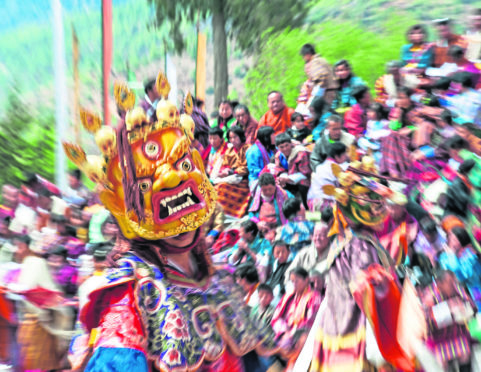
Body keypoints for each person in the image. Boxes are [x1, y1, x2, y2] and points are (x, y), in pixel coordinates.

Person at [65, 71, 279, 372]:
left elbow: (255, 361)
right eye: (146, 182)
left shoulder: (220, 279)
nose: (170, 177)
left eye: (181, 164)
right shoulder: (130, 290)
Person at [422, 269, 476, 371]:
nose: (453, 285)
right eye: (450, 282)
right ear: (439, 283)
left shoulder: (456, 289)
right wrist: (448, 309)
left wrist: (465, 308)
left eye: (454, 282)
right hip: (438, 340)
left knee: (465, 353)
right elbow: (427, 323)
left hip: (457, 335)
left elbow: (472, 306)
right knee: (440, 364)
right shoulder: (429, 296)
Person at [271, 267, 321, 348]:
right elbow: (276, 316)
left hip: (301, 336)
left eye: (296, 281)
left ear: (306, 279)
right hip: (284, 333)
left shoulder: (314, 296)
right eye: (292, 281)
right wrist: (284, 331)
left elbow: (310, 321)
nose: (294, 284)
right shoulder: (288, 295)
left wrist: (291, 334)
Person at [214, 126, 251, 218]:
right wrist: (224, 170)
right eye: (230, 138)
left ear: (241, 136)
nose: (232, 140)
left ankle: (230, 214)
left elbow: (247, 168)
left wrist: (232, 171)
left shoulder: (248, 148)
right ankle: (219, 214)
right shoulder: (229, 150)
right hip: (231, 178)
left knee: (221, 188)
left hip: (244, 180)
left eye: (235, 137)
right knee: (216, 188)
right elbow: (225, 165)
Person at [285, 216, 331, 288]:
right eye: (315, 235)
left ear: (329, 237)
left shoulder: (335, 255)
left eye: (321, 235)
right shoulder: (304, 253)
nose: (317, 238)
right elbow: (289, 272)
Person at [308, 142, 349, 211]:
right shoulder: (338, 168)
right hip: (325, 203)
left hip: (311, 202)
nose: (346, 156)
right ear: (336, 156)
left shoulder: (321, 166)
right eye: (344, 154)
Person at [274, 133, 311, 207]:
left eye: (287, 145)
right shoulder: (279, 155)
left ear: (290, 144)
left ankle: (307, 207)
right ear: (278, 147)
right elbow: (279, 169)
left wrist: (288, 179)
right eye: (281, 147)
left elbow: (305, 173)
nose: (285, 149)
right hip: (289, 178)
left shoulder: (301, 153)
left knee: (303, 186)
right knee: (278, 185)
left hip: (304, 178)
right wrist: (282, 178)